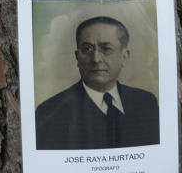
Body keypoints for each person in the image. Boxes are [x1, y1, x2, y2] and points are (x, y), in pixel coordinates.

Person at [35, 15, 159, 150]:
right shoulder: (50, 113)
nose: (96, 59)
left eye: (106, 49)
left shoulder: (146, 103)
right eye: (87, 49)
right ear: (77, 57)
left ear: (124, 56)